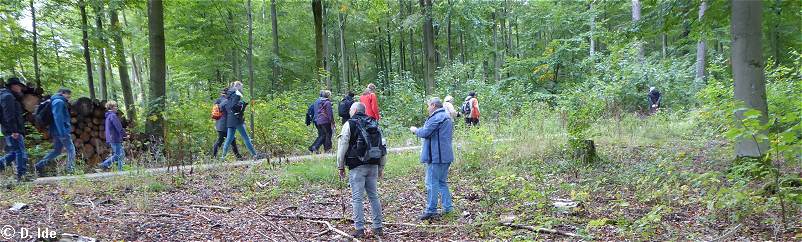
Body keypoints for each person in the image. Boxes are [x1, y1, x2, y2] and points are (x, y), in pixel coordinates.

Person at [337, 102, 386, 238]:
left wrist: (340, 166)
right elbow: (383, 146)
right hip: (374, 164)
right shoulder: (373, 123)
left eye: (350, 109)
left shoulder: (350, 124)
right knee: (373, 196)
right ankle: (378, 227)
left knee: (357, 198)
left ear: (354, 110)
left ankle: (359, 229)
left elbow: (342, 146)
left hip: (356, 165)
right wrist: (381, 167)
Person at [409, 97, 455, 220]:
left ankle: (431, 210)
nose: (428, 108)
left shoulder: (436, 117)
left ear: (434, 105)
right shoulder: (447, 117)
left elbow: (425, 132)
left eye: (429, 105)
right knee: (441, 182)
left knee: (431, 183)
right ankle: (448, 208)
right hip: (445, 155)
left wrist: (415, 130)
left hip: (437, 157)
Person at [36, 88, 76, 175]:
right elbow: (58, 118)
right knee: (71, 149)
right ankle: (70, 170)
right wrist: (62, 132)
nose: (69, 97)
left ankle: (39, 165)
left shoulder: (54, 101)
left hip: (56, 130)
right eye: (68, 94)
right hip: (61, 131)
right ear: (62, 93)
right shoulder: (59, 102)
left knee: (57, 151)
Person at [220, 81, 262, 159]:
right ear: (238, 86)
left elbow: (226, 106)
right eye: (241, 86)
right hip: (237, 119)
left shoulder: (229, 94)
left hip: (230, 119)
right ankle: (255, 155)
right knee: (246, 137)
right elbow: (234, 106)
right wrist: (242, 104)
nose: (242, 88)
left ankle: (223, 157)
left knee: (229, 139)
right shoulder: (236, 94)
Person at [0, 78, 31, 181]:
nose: (20, 88)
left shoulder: (7, 96)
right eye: (19, 85)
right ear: (13, 86)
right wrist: (14, 130)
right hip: (13, 130)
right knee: (20, 152)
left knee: (14, 153)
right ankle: (21, 176)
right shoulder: (8, 97)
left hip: (10, 129)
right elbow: (9, 115)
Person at [212, 88, 242, 159]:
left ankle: (238, 156)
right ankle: (214, 157)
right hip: (225, 125)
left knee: (228, 140)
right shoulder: (226, 101)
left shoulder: (218, 100)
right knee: (224, 140)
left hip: (220, 124)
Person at [98, 101, 126, 171]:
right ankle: (119, 170)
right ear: (111, 107)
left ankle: (106, 165)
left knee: (118, 154)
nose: (117, 108)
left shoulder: (108, 116)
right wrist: (124, 135)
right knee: (120, 155)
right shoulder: (113, 116)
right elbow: (118, 127)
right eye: (115, 106)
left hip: (111, 138)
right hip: (115, 137)